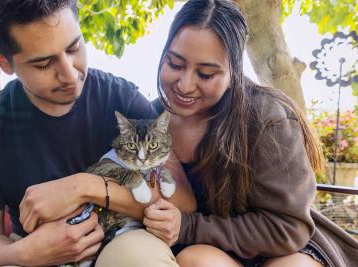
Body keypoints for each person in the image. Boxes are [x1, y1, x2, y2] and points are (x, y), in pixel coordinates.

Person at [0, 1, 196, 266]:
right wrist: (24, 252)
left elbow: (183, 202)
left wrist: (83, 187)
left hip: (122, 240)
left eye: (74, 47)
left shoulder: (121, 98)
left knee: (137, 257)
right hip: (34, 248)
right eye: (43, 64)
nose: (70, 75)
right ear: (0, 59)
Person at [145, 0, 358, 266]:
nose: (185, 85)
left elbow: (288, 229)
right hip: (206, 251)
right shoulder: (149, 119)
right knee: (195, 260)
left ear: (234, 71)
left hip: (284, 249)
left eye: (206, 74)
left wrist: (187, 226)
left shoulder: (267, 117)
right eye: (175, 64)